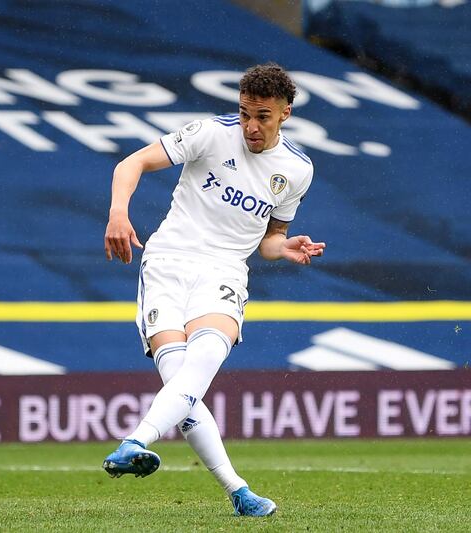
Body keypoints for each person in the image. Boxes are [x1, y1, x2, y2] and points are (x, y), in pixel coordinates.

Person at [102, 63, 325, 517]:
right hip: (166, 263)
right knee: (183, 382)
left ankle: (136, 441)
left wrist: (284, 248)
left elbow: (268, 240)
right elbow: (133, 162)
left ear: (286, 113)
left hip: (223, 271)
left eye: (262, 116)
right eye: (244, 113)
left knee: (200, 364)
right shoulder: (208, 133)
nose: (250, 126)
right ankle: (239, 492)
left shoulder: (297, 170)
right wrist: (118, 214)